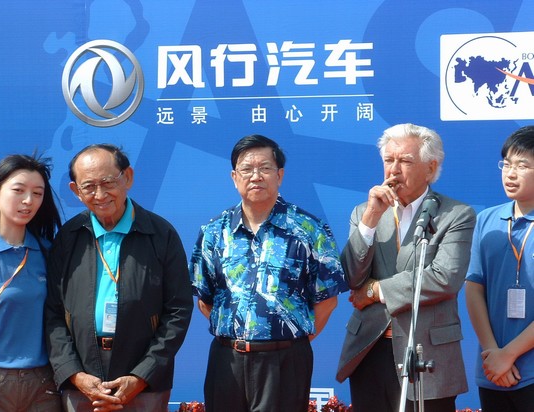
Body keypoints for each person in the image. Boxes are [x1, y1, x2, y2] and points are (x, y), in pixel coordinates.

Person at [189, 134, 349, 412]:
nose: (256, 176)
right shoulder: (214, 231)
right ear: (234, 177)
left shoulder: (309, 229)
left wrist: (289, 339)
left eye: (264, 168)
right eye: (246, 169)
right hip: (227, 360)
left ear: (280, 175)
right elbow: (205, 299)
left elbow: (327, 300)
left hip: (286, 361)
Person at [336, 123, 476, 412]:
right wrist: (371, 218)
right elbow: (350, 276)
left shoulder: (455, 214)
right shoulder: (364, 212)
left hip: (427, 351)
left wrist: (376, 290)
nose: (394, 170)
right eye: (389, 160)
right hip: (371, 349)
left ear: (430, 167)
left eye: (405, 161)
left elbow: (444, 278)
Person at [44, 144, 193, 412]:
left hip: (144, 382)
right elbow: (53, 313)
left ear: (128, 177)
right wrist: (74, 374)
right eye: (89, 186)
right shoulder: (68, 238)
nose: (100, 195)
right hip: (82, 382)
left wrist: (142, 375)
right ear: (76, 191)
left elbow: (178, 310)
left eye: (108, 182)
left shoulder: (161, 234)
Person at [0, 154, 62, 411]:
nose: (28, 201)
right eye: (18, 190)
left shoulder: (49, 253)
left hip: (42, 383)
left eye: (37, 193)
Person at [465, 125, 534, 412]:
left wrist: (509, 354)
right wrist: (492, 351)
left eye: (522, 166)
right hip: (492, 370)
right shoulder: (487, 220)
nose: (510, 173)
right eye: (506, 164)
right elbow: (474, 288)